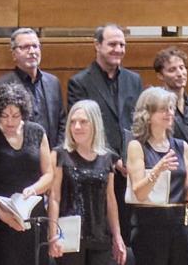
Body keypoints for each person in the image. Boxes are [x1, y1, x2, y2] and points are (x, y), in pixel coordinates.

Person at [46, 99, 126, 265]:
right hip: (69, 234)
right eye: (73, 122)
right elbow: (54, 198)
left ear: (95, 124)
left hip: (100, 233)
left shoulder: (107, 157)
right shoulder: (60, 154)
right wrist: (52, 233)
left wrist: (117, 235)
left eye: (83, 122)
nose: (77, 127)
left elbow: (110, 200)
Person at [0, 81, 54, 265]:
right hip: (4, 215)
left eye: (15, 116)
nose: (10, 121)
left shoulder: (37, 132)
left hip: (34, 213)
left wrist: (34, 189)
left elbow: (49, 175)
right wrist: (3, 215)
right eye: (4, 116)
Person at [124, 87, 188, 265]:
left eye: (171, 108)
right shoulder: (137, 146)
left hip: (179, 226)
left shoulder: (182, 146)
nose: (169, 113)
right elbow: (139, 192)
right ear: (147, 114)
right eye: (163, 109)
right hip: (149, 227)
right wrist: (157, 170)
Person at [66, 25, 144, 165]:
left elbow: (139, 123)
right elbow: (82, 129)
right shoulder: (79, 83)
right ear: (97, 45)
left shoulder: (134, 80)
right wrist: (113, 160)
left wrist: (133, 158)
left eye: (122, 45)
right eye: (112, 44)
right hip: (97, 163)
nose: (118, 49)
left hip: (132, 164)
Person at [0, 29, 64, 147]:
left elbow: (62, 122)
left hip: (51, 156)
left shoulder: (53, 82)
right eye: (25, 47)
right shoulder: (1, 85)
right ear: (14, 54)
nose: (32, 51)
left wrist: (56, 153)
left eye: (35, 46)